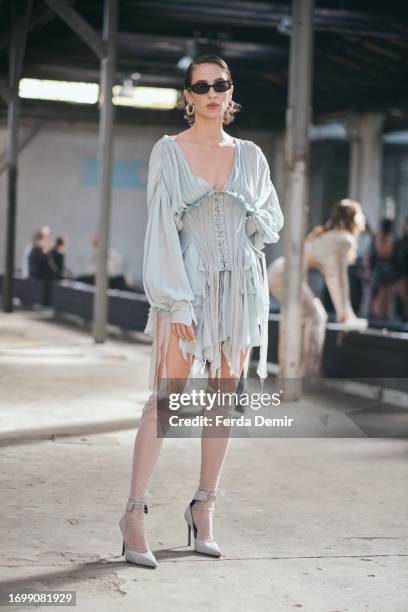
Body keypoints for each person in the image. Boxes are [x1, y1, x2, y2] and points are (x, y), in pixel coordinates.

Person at [118, 54, 284, 568]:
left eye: (222, 84)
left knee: (222, 399)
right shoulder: (168, 152)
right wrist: (176, 299)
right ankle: (133, 514)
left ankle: (203, 507)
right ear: (188, 96)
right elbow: (161, 231)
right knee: (165, 397)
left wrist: (247, 219)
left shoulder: (252, 155)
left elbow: (271, 221)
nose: (213, 92)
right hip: (186, 285)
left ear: (230, 92)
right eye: (202, 85)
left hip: (240, 290)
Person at [267, 199, 367, 378]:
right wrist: (345, 312)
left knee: (297, 319)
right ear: (355, 220)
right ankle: (308, 375)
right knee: (316, 317)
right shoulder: (343, 239)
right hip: (287, 274)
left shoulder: (330, 235)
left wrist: (344, 310)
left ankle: (289, 372)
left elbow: (333, 278)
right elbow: (338, 278)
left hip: (279, 271)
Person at [369, 217, 399, 320]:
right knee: (383, 295)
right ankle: (382, 317)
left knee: (381, 295)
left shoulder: (380, 239)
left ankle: (380, 317)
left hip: (382, 270)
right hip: (386, 270)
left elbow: (377, 254)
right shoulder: (391, 239)